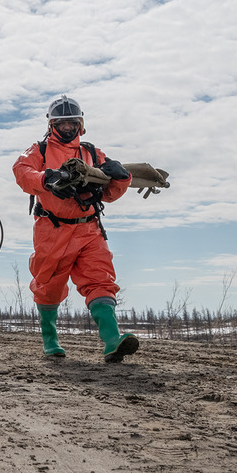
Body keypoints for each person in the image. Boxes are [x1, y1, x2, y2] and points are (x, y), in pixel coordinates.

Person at [12, 94, 138, 363]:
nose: (68, 128)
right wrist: (47, 178)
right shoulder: (39, 151)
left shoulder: (92, 153)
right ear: (51, 125)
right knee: (48, 285)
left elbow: (108, 193)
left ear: (81, 125)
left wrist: (122, 178)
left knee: (100, 280)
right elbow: (22, 172)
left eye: (73, 123)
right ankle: (50, 339)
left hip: (89, 228)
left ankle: (112, 340)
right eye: (62, 123)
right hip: (52, 229)